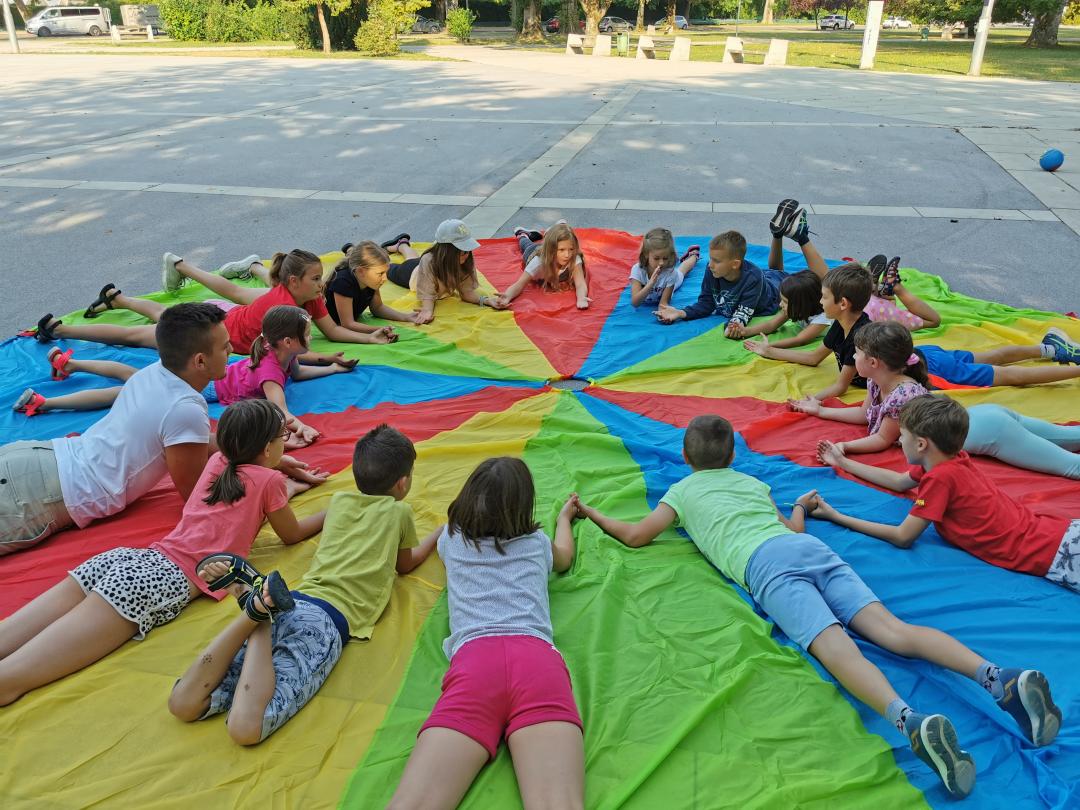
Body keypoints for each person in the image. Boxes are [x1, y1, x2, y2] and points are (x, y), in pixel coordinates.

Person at [571, 414, 1061, 798]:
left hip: (765, 566)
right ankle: (999, 678)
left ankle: (909, 721)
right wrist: (801, 508)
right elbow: (793, 531)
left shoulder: (681, 489)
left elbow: (637, 536)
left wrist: (590, 513)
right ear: (733, 454)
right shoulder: (752, 484)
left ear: (686, 457)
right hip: (808, 551)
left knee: (834, 648)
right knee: (892, 630)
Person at [0, 399, 326, 706]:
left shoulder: (218, 462)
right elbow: (292, 533)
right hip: (156, 583)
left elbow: (244, 491)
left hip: (129, 560)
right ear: (268, 447)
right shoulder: (268, 481)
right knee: (11, 679)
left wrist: (285, 489)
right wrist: (334, 510)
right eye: (283, 436)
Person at [168, 424, 438, 745]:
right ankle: (260, 619)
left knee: (183, 704)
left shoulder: (339, 501)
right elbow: (405, 565)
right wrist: (438, 535)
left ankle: (254, 613)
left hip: (296, 601)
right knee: (246, 728)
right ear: (403, 482)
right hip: (325, 622)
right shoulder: (399, 512)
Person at [388, 458, 583, 810]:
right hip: (537, 663)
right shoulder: (537, 542)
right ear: (523, 506)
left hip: (477, 665)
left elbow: (451, 537)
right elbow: (565, 557)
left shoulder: (451, 539)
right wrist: (564, 520)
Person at [813, 395, 1080, 596]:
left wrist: (836, 516)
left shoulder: (940, 477)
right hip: (1058, 534)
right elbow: (899, 481)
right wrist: (843, 463)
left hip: (1054, 553)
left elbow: (903, 536)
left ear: (921, 444)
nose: (898, 441)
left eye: (902, 436)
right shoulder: (948, 460)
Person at [15, 306, 350, 447]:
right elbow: (280, 410)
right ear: (289, 342)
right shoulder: (270, 371)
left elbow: (301, 372)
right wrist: (299, 425)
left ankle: (71, 366)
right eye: (308, 334)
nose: (312, 338)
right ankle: (45, 402)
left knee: (131, 378)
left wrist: (332, 368)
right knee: (126, 387)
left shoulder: (282, 354)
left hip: (207, 377)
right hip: (206, 387)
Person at [35, 249, 394, 355]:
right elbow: (288, 354)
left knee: (162, 314)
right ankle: (59, 329)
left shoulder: (308, 298)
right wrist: (327, 359)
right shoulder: (280, 307)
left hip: (223, 317)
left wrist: (370, 336)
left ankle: (120, 298)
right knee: (139, 336)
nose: (323, 285)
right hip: (208, 331)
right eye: (317, 279)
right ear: (293, 281)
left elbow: (331, 330)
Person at [790, 322, 930, 456]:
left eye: (857, 353)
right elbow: (864, 414)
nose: (853, 356)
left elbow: (882, 439)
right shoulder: (876, 380)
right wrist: (820, 410)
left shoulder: (902, 395)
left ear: (873, 362)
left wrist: (844, 446)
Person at [743, 261, 875, 400]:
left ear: (843, 304)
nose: (820, 302)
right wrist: (768, 350)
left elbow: (840, 387)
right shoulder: (841, 323)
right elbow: (814, 358)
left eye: (824, 297)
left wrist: (808, 401)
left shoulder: (860, 338)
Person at [654, 230, 781, 335]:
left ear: (735, 264)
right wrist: (680, 313)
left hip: (776, 287)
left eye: (716, 261)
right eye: (710, 258)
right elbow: (706, 303)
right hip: (759, 276)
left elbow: (743, 314)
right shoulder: (713, 270)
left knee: (782, 276)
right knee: (768, 272)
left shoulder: (753, 279)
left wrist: (732, 327)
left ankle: (778, 234)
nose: (710, 264)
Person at [385, 219, 505, 324]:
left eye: (468, 249)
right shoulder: (429, 260)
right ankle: (398, 246)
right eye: (463, 251)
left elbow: (466, 292)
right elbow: (427, 294)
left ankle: (402, 244)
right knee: (387, 268)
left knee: (412, 259)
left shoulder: (465, 259)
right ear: (447, 251)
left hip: (422, 265)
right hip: (412, 274)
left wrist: (487, 301)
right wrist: (427, 311)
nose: (467, 254)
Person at [324, 240, 420, 332]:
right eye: (380, 273)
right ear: (361, 271)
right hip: (336, 324)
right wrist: (378, 329)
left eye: (385, 272)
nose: (385, 278)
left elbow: (377, 308)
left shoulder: (370, 280)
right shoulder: (342, 282)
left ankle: (350, 250)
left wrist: (406, 317)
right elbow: (347, 324)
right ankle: (350, 250)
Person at [499, 222, 591, 310]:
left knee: (557, 239)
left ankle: (551, 232)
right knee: (525, 244)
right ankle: (522, 234)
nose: (567, 255)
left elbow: (580, 283)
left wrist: (582, 298)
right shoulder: (538, 263)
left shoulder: (574, 258)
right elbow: (519, 284)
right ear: (552, 250)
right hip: (532, 251)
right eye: (562, 250)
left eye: (571, 249)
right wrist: (508, 296)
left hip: (549, 248)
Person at [626, 227, 700, 308]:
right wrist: (650, 284)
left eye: (665, 258)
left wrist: (663, 314)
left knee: (682, 271)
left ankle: (694, 256)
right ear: (646, 254)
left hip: (671, 280)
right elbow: (635, 303)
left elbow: (663, 303)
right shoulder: (637, 270)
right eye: (656, 258)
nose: (661, 263)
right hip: (651, 285)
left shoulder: (671, 273)